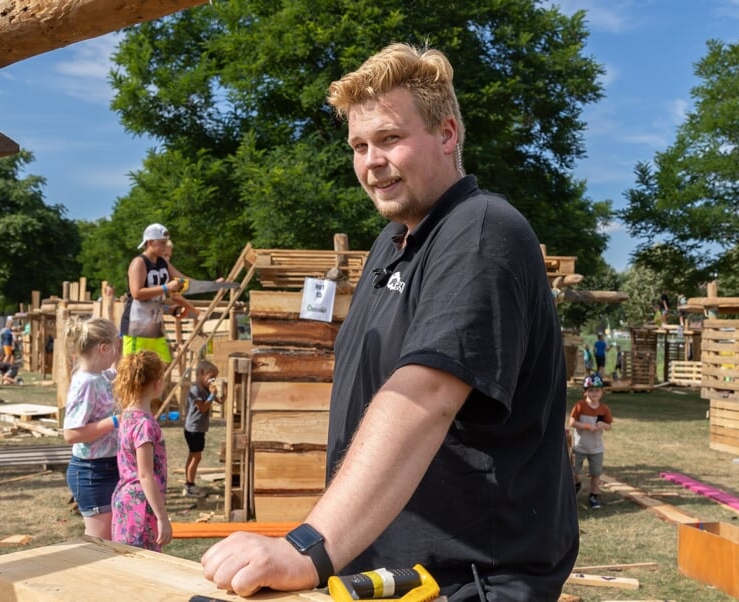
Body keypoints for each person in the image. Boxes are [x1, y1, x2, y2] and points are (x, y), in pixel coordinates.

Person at [201, 43, 578, 600]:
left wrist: (309, 545)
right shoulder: (391, 244)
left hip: (468, 581)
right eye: (358, 145)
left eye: (389, 139)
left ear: (447, 135)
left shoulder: (480, 231)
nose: (370, 161)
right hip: (390, 575)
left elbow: (424, 398)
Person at [63, 317, 121, 539]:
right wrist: (115, 421)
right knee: (100, 545)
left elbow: (117, 372)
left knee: (112, 541)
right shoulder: (86, 382)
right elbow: (71, 434)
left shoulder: (103, 375)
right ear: (104, 348)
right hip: (92, 472)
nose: (117, 353)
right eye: (115, 347)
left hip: (109, 466)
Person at [111, 350, 172, 551]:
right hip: (140, 506)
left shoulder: (127, 416)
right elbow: (145, 474)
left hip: (125, 500)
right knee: (143, 567)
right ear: (157, 383)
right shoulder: (145, 424)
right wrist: (162, 517)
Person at [121, 223, 197, 362]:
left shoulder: (162, 262)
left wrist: (213, 284)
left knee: (164, 367)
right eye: (162, 243)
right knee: (134, 372)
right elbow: (137, 293)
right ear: (150, 242)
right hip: (136, 329)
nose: (164, 246)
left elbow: (182, 280)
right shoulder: (139, 262)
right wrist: (165, 288)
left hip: (155, 328)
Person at [569, 374, 613, 509]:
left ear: (602, 392)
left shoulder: (604, 409)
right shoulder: (579, 406)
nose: (594, 393)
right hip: (579, 447)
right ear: (585, 392)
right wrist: (587, 427)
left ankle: (594, 495)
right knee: (573, 471)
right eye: (591, 390)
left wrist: (603, 425)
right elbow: (572, 422)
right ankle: (577, 484)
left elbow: (609, 426)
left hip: (596, 448)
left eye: (597, 390)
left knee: (596, 473)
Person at [183, 360, 220, 497]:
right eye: (211, 377)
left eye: (214, 378)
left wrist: (219, 394)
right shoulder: (195, 390)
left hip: (198, 429)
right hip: (193, 429)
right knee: (196, 456)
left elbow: (219, 400)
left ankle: (188, 483)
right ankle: (190, 486)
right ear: (201, 373)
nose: (213, 380)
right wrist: (211, 395)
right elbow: (203, 408)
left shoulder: (204, 389)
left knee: (193, 455)